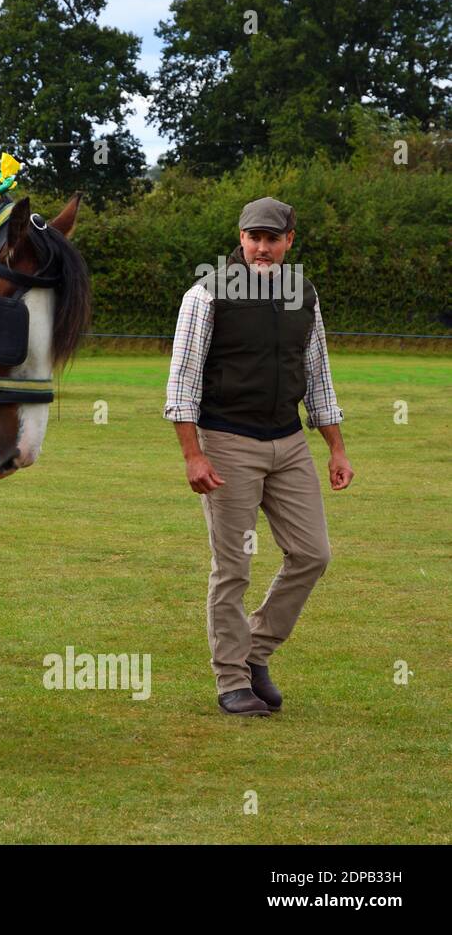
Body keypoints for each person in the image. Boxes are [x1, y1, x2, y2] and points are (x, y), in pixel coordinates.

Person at [164, 197, 355, 717]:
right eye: (254, 237)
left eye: (273, 238)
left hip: (290, 441)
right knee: (233, 568)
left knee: (313, 553)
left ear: (290, 240)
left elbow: (318, 376)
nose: (262, 248)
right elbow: (181, 383)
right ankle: (231, 680)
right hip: (227, 441)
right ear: (241, 237)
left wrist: (335, 447)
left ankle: (254, 651)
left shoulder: (304, 296)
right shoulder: (206, 295)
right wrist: (193, 455)